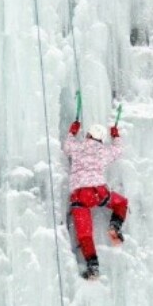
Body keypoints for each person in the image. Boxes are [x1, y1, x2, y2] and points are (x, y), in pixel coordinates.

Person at [62, 120, 127, 280]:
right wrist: (115, 135)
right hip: (98, 192)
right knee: (121, 203)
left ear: (88, 135)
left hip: (79, 196)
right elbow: (118, 150)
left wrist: (72, 131)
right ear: (101, 139)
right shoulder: (103, 151)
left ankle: (93, 267)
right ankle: (115, 226)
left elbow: (67, 146)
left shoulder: (78, 147)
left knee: (85, 235)